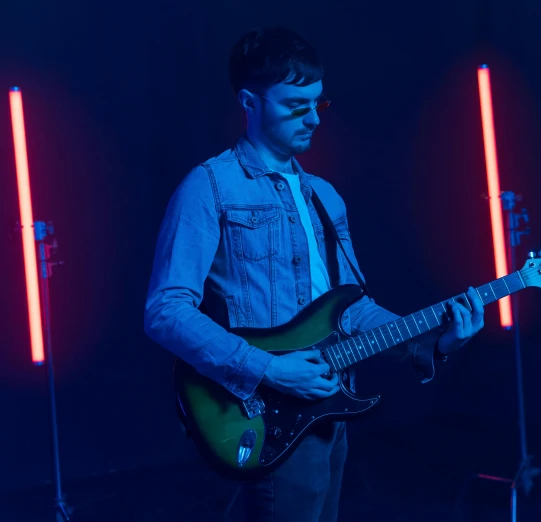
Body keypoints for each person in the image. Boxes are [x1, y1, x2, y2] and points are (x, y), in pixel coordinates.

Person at [143, 26, 485, 522]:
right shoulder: (210, 186)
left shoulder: (324, 197)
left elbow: (353, 307)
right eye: (294, 105)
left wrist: (434, 343)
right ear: (249, 102)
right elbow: (165, 311)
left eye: (318, 104)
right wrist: (270, 368)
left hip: (328, 411)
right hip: (265, 409)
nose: (312, 119)